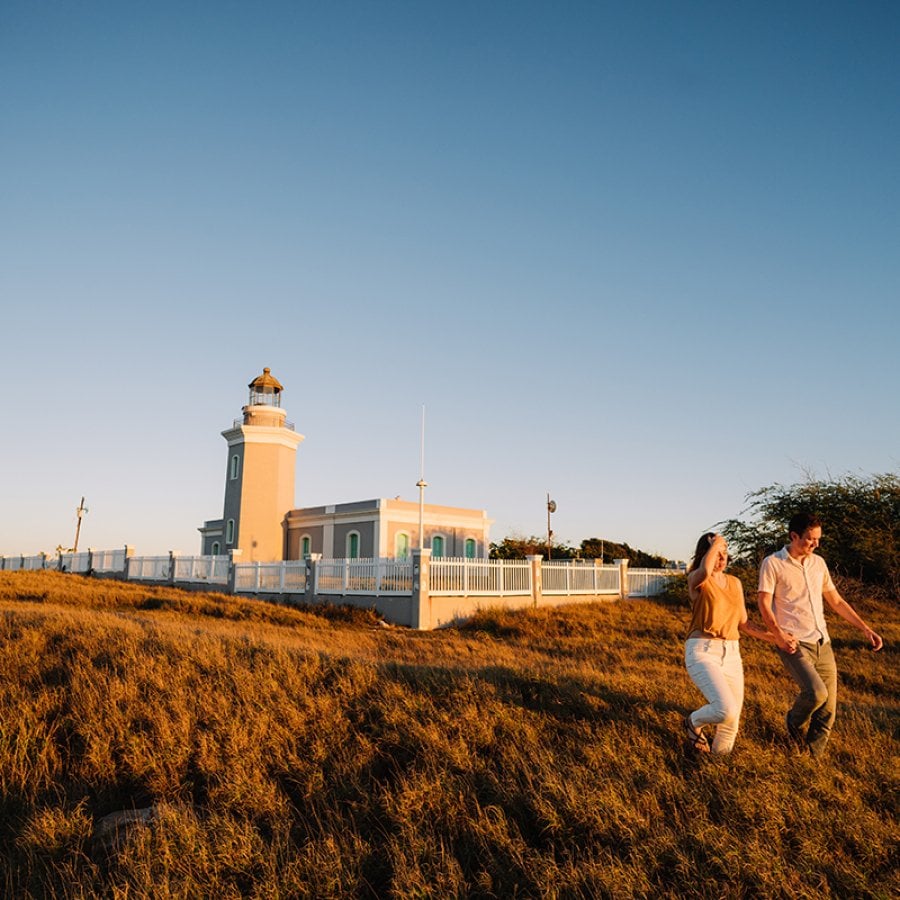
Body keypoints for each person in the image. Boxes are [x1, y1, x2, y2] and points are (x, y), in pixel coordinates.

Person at [757, 512, 883, 757]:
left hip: (822, 641)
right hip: (794, 643)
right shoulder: (773, 563)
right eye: (810, 539)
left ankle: (814, 758)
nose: (816, 544)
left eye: (818, 539)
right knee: (816, 693)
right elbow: (763, 604)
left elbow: (836, 600)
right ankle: (793, 722)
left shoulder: (819, 563)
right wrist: (779, 635)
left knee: (828, 709)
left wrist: (865, 628)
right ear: (794, 536)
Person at [683, 532, 783, 754]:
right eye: (717, 554)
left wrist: (778, 638)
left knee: (731, 722)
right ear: (705, 555)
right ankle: (693, 722)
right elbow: (707, 569)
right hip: (702, 652)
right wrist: (717, 542)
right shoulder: (697, 579)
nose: (721, 560)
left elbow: (744, 623)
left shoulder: (734, 583)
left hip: (731, 653)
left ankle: (717, 767)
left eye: (724, 555)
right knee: (725, 709)